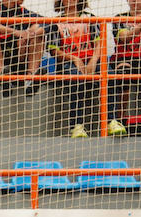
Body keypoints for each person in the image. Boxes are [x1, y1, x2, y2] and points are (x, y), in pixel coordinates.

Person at [50, 0, 108, 137]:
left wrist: (93, 61)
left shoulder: (90, 18)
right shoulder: (55, 22)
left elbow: (100, 43)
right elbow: (54, 51)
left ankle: (111, 121)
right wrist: (74, 59)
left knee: (110, 75)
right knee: (77, 77)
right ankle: (76, 125)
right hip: (68, 62)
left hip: (90, 59)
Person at [109, 0, 141, 130]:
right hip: (123, 58)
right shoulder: (119, 17)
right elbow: (124, 38)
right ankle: (120, 119)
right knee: (123, 72)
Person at [0, 0, 46, 96]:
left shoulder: (23, 12)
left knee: (37, 29)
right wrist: (15, 32)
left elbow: (48, 23)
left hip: (17, 63)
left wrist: (30, 34)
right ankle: (3, 76)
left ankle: (31, 78)